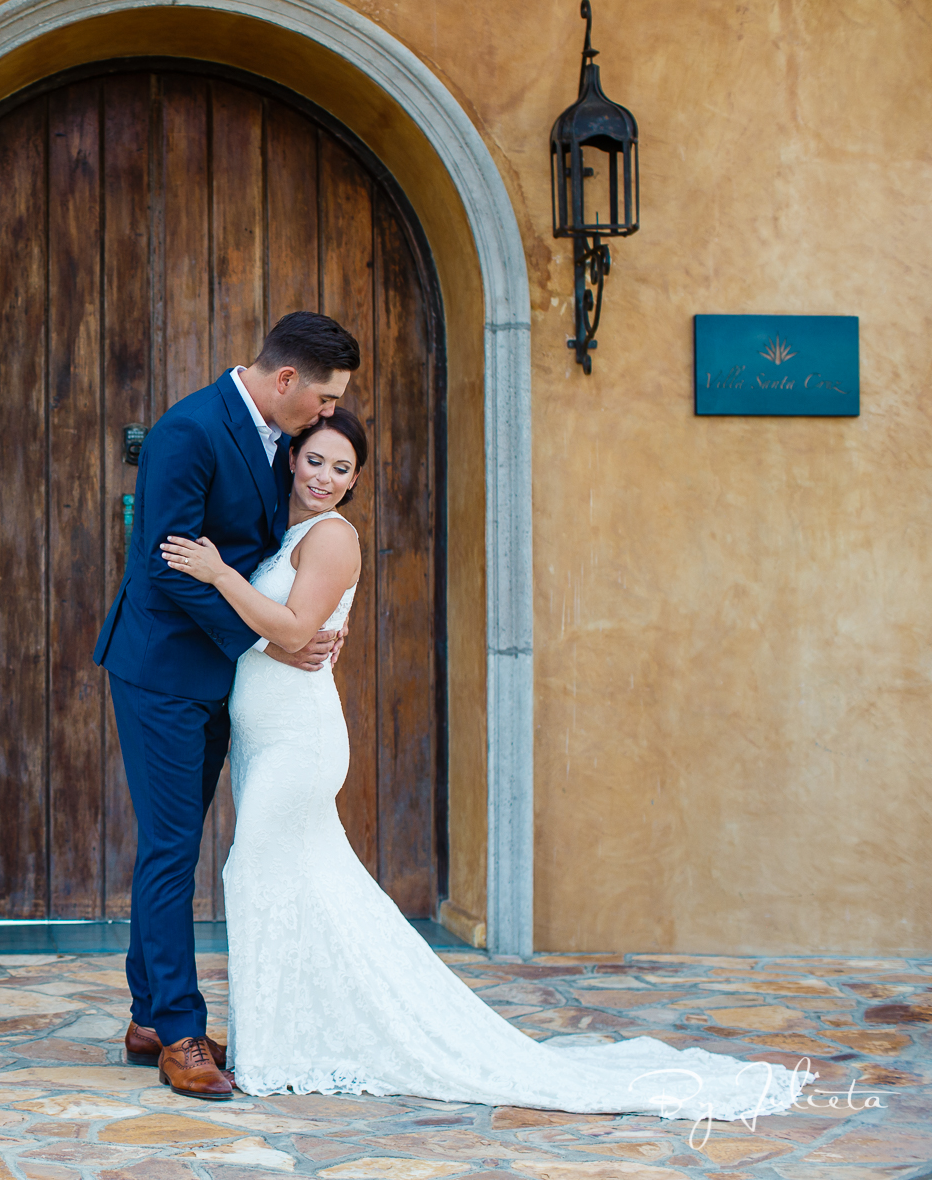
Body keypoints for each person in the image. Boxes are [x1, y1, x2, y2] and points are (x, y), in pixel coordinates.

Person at [157, 410, 812, 1122]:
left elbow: (290, 628)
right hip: (268, 736)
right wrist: (267, 628)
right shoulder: (287, 535)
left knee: (258, 872)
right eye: (316, 461)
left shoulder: (334, 537)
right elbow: (281, 637)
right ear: (292, 461)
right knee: (299, 887)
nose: (326, 478)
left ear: (354, 483)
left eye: (343, 469)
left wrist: (219, 572)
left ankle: (283, 1048)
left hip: (299, 744)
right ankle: (284, 1041)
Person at [93, 311, 359, 1100]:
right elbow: (167, 568)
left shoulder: (279, 437)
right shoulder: (189, 430)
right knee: (173, 847)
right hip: (164, 672)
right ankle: (179, 1031)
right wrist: (269, 642)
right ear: (285, 381)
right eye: (322, 398)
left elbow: (270, 546)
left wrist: (312, 614)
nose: (326, 413)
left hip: (222, 682)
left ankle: (148, 1013)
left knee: (171, 843)